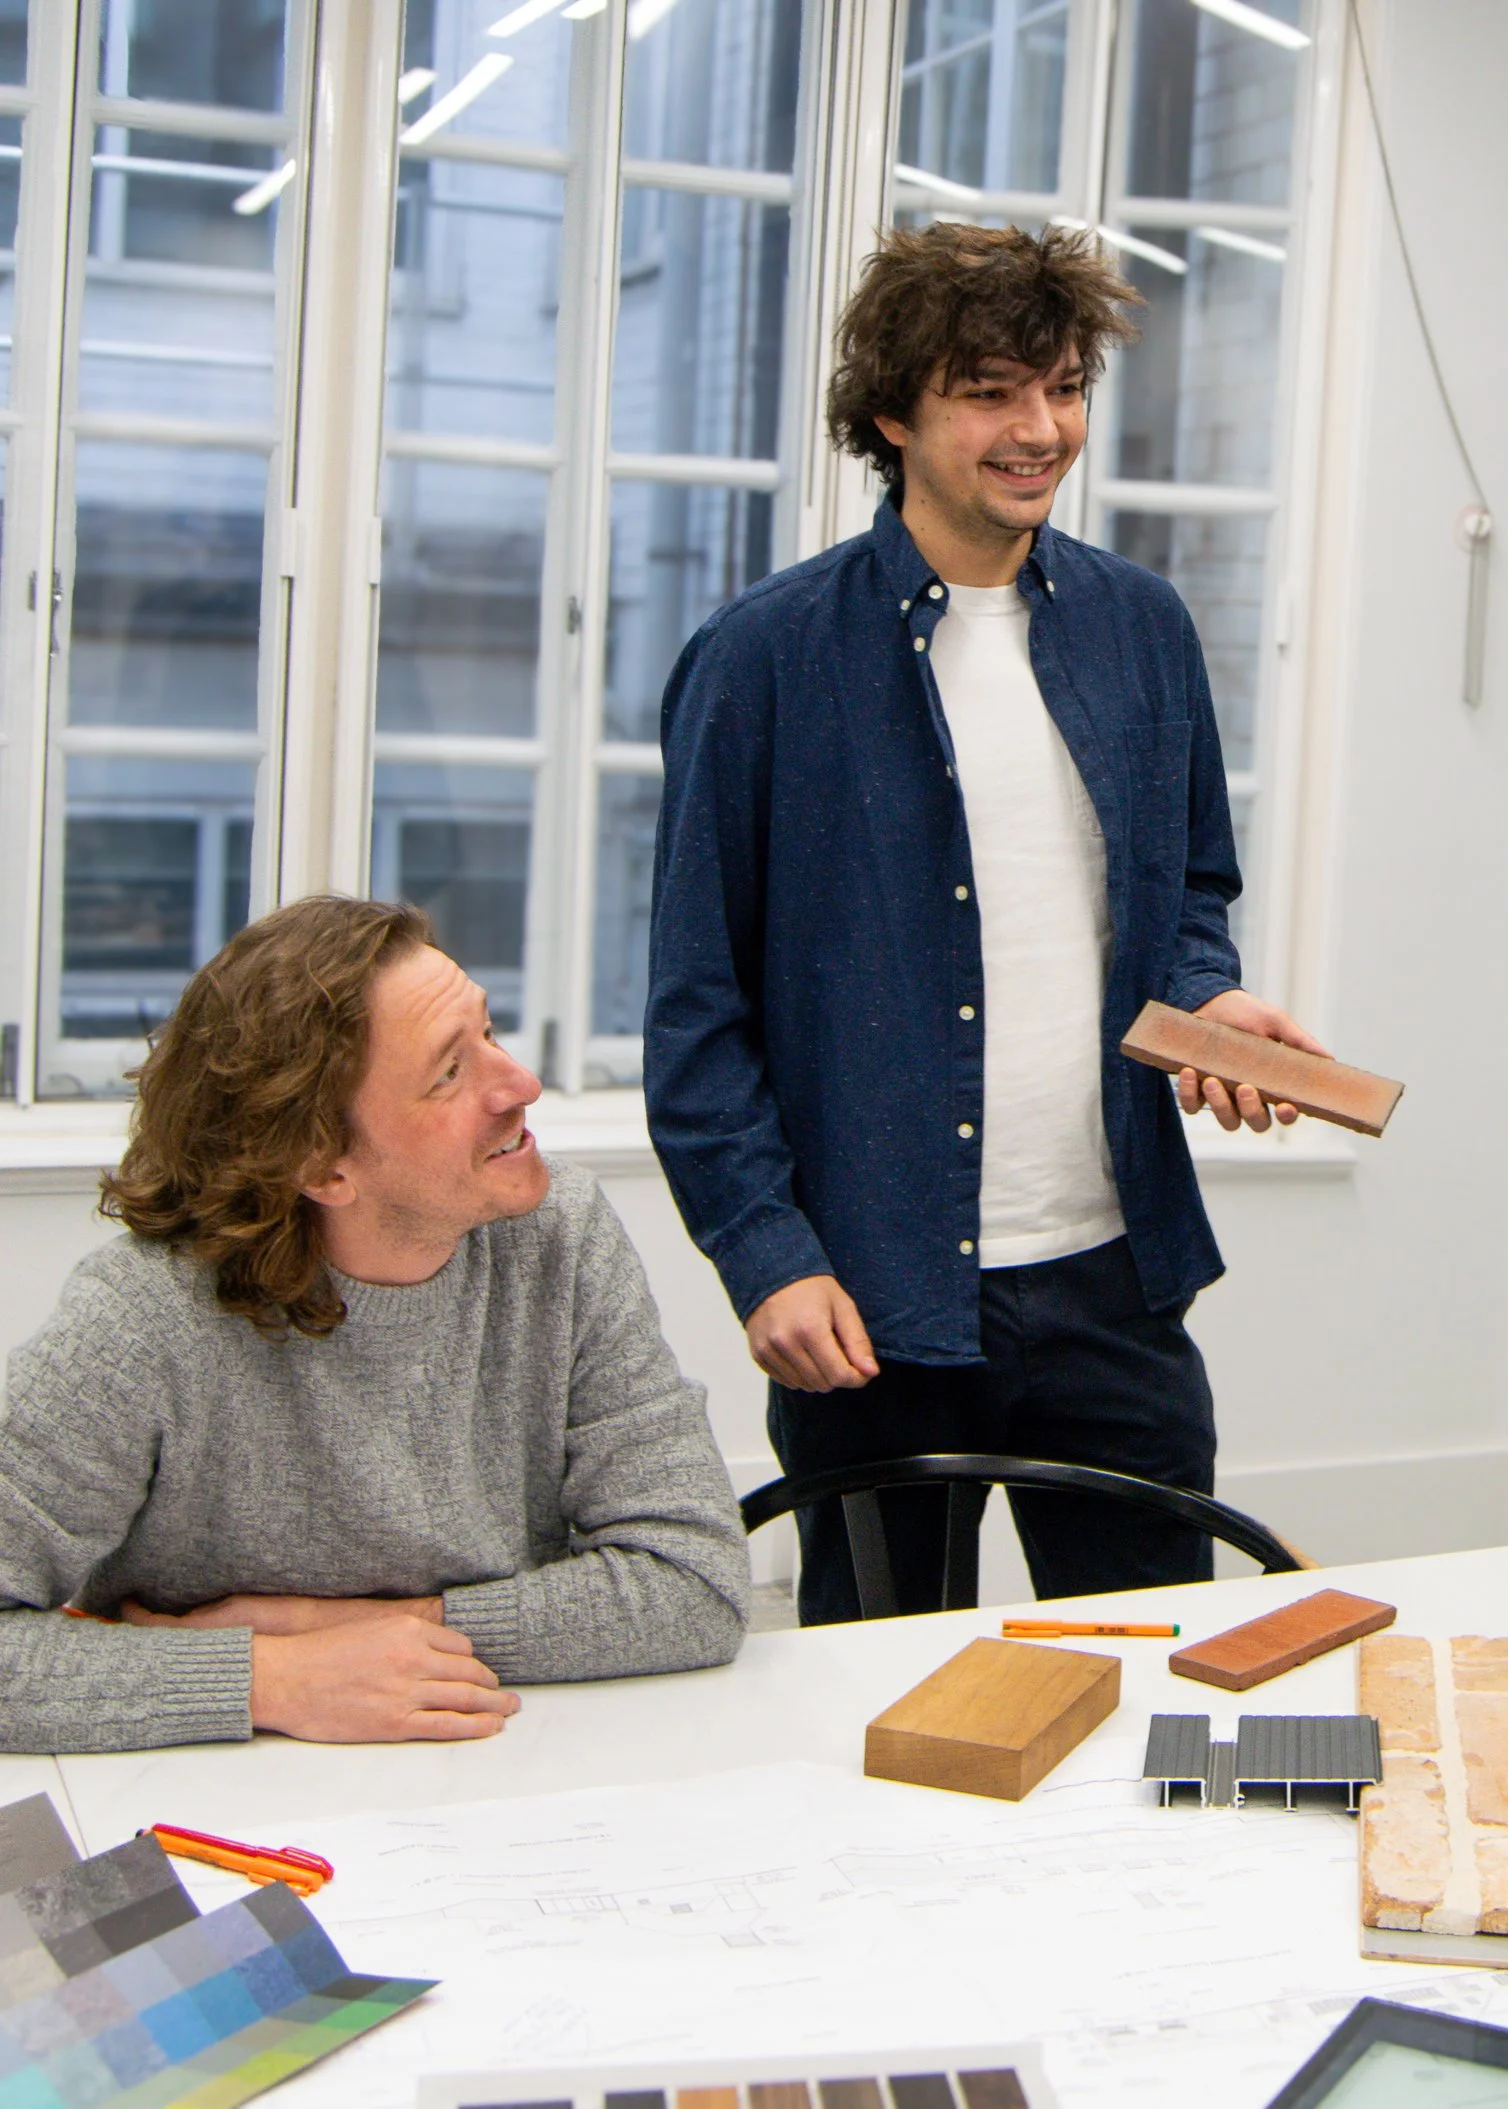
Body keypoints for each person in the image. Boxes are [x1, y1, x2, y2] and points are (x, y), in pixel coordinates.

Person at [645, 222, 1321, 1625]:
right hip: (868, 1304)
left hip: (1113, 1283)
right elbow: (696, 1015)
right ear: (894, 412)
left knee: (1148, 1682)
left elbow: (1193, 895)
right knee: (889, 1713)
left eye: (1065, 387)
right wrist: (766, 1256)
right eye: (992, 393)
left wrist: (1211, 1008)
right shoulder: (762, 661)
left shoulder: (1145, 629)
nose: (1041, 430)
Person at [0, 898, 750, 1753]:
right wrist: (271, 1678)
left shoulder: (558, 1236)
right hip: (210, 1794)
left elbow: (700, 1581)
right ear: (321, 1164)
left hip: (490, 1767)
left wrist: (380, 1629)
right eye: (448, 1074)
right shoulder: (143, 1317)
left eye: (490, 1032)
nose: (521, 1085)